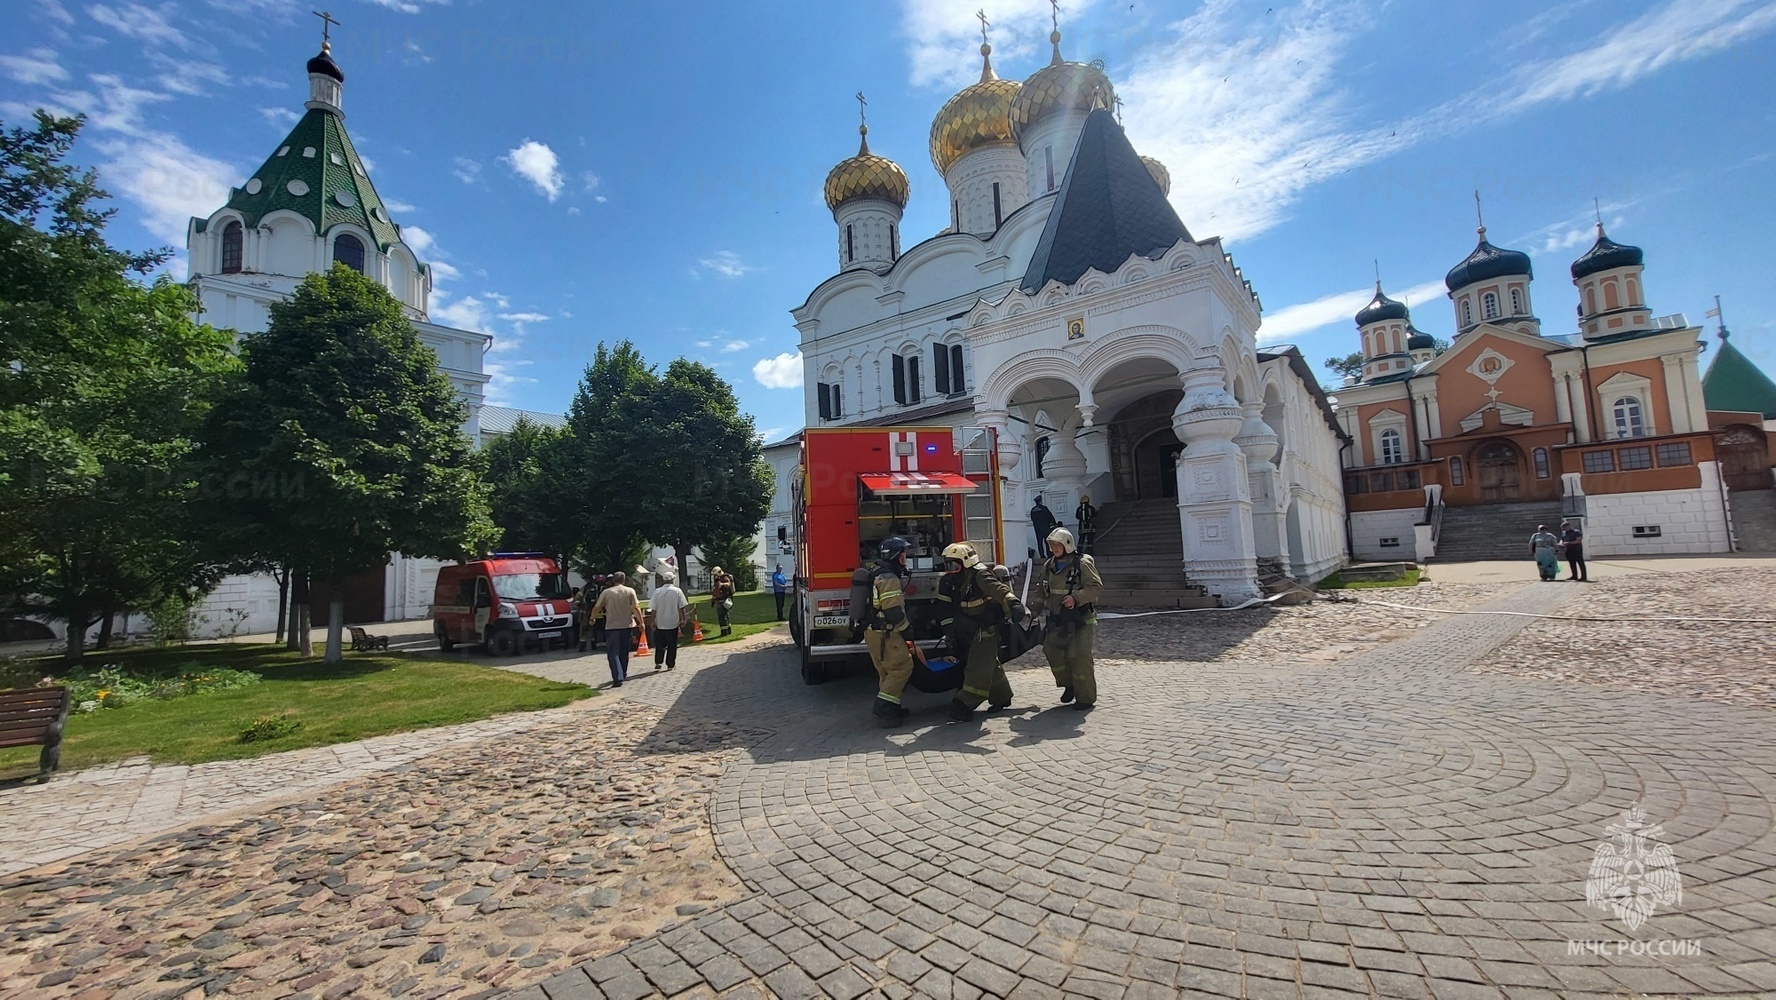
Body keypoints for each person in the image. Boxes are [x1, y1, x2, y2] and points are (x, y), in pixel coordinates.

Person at [939, 542, 1021, 722]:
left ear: (966, 562)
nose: (952, 569)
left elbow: (999, 589)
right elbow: (944, 608)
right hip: (967, 630)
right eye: (949, 565)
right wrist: (949, 631)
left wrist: (1013, 603)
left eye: (955, 564)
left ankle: (964, 704)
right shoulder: (950, 581)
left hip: (986, 629)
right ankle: (1002, 696)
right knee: (989, 663)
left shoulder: (980, 575)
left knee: (976, 668)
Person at [1031, 527, 1103, 710]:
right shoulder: (1049, 565)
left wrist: (1076, 598)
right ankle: (1069, 685)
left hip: (1080, 619)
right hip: (1058, 619)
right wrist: (1035, 608)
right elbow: (1041, 590)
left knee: (1079, 656)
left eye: (1057, 545)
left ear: (1067, 545)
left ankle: (1085, 698)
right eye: (1052, 545)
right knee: (1051, 650)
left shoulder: (1083, 563)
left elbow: (1096, 587)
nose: (1054, 548)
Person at [851, 536, 914, 727]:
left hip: (873, 632)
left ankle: (892, 707)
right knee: (902, 667)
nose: (906, 558)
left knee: (886, 672)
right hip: (887, 633)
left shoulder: (876, 572)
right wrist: (907, 630)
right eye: (904, 554)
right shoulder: (889, 577)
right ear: (897, 556)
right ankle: (884, 709)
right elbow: (893, 610)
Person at [590, 571, 642, 686]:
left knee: (613, 653)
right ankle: (623, 672)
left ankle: (617, 677)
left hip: (612, 627)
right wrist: (641, 622)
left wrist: (592, 618)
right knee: (624, 652)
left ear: (613, 580)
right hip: (627, 626)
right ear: (624, 580)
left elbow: (597, 607)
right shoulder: (630, 591)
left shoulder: (606, 592)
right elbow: (636, 608)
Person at [650, 569, 690, 670]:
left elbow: (653, 608)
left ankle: (658, 662)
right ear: (672, 580)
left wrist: (652, 620)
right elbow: (681, 607)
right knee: (672, 645)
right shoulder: (677, 591)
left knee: (659, 644)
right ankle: (670, 664)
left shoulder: (657, 592)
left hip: (660, 622)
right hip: (673, 622)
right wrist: (683, 619)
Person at [711, 566, 735, 636]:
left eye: (715, 575)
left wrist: (720, 585)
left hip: (722, 601)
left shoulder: (723, 579)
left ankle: (724, 632)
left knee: (722, 617)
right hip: (724, 600)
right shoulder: (721, 579)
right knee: (726, 616)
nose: (714, 576)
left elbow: (718, 591)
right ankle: (728, 630)